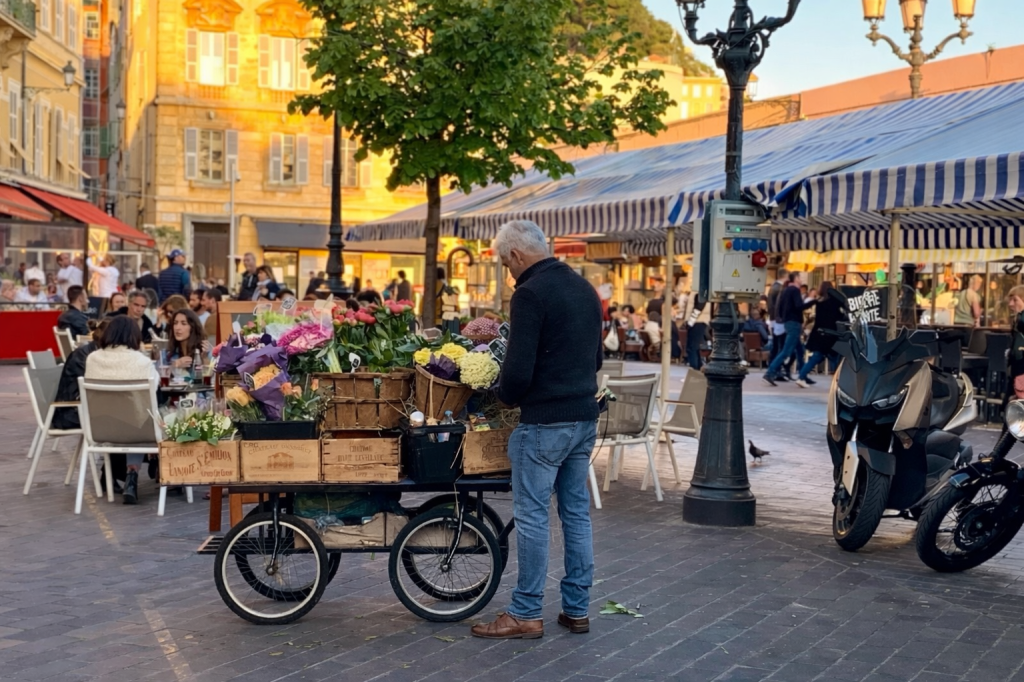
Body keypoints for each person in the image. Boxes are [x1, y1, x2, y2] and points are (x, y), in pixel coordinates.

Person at [471, 220, 600, 640]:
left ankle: (525, 612)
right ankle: (577, 608)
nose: (508, 273)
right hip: (584, 417)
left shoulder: (529, 293)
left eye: (506, 264)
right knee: (576, 514)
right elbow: (596, 360)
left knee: (531, 517)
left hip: (545, 423)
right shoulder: (584, 289)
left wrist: (501, 395)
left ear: (517, 256)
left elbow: (518, 371)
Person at [84, 316, 159, 504]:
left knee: (134, 418)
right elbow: (155, 386)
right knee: (149, 417)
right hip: (137, 431)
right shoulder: (142, 362)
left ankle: (133, 472)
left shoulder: (92, 359)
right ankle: (137, 471)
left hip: (101, 429)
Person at [764, 272, 815, 386]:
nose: (801, 280)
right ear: (795, 279)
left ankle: (803, 376)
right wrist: (813, 302)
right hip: (794, 323)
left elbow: (780, 306)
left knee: (800, 350)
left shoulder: (785, 290)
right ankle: (770, 372)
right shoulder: (795, 290)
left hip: (787, 322)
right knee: (786, 351)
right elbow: (799, 306)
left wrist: (782, 319)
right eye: (800, 277)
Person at [796, 282, 848, 388]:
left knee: (817, 357)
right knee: (834, 358)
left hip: (819, 334)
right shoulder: (835, 301)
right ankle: (837, 382)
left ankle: (801, 376)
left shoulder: (819, 302)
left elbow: (807, 310)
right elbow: (841, 315)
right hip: (831, 334)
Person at [1003, 287, 1024, 427]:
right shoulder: (1018, 320)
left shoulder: (1021, 320)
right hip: (1017, 370)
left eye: (1015, 300)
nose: (1011, 304)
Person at [682, 292, 711, 369]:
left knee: (692, 347)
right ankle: (697, 368)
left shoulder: (699, 290)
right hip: (700, 321)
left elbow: (699, 306)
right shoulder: (702, 290)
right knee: (694, 347)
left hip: (697, 321)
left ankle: (694, 369)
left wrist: (690, 321)